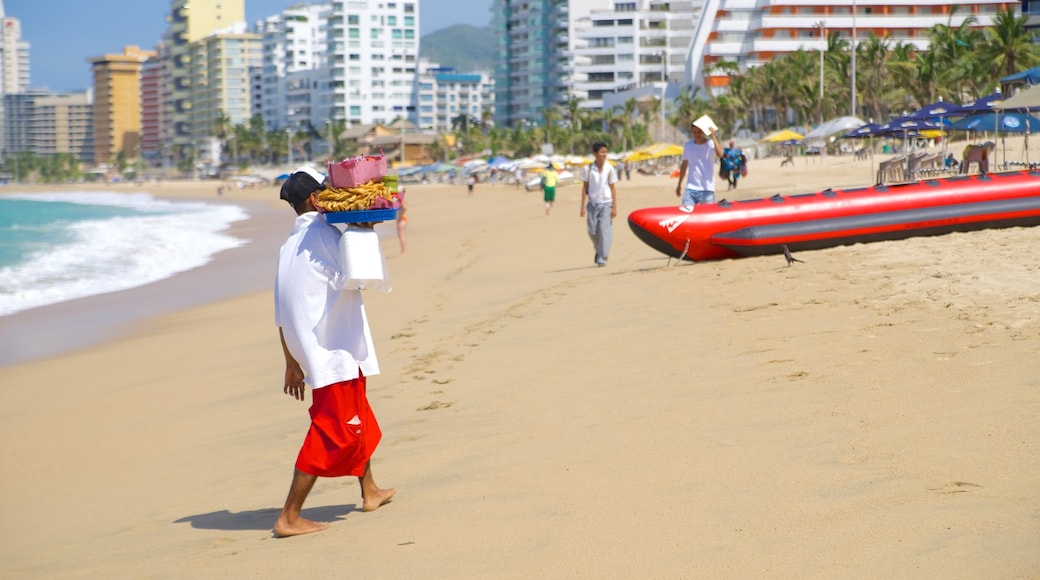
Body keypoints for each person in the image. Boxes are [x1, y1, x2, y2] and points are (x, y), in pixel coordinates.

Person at [272, 166, 396, 538]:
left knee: (356, 419)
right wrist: (364, 232)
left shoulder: (288, 245)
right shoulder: (324, 234)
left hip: (315, 351)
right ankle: (289, 515)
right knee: (334, 431)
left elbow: (281, 309)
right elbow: (361, 275)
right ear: (315, 199)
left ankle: (369, 490)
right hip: (331, 352)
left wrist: (290, 362)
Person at [580, 142, 618, 267]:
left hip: (606, 203)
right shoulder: (588, 169)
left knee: (604, 231)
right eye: (601, 152)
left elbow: (613, 188)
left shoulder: (609, 168)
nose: (604, 155)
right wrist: (582, 206)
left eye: (605, 152)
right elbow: (584, 188)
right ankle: (599, 250)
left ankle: (602, 258)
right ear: (595, 154)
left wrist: (614, 207)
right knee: (592, 231)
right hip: (592, 204)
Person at [675, 120, 724, 212]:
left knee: (707, 217)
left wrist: (713, 137)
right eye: (695, 132)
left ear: (704, 132)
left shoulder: (710, 144)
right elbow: (684, 165)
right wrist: (679, 185)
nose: (697, 134)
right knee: (685, 216)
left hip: (707, 189)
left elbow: (720, 154)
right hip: (690, 188)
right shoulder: (688, 145)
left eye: (699, 132)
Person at [396, 191, 408, 256]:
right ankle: (403, 251)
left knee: (401, 236)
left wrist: (399, 216)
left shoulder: (401, 200)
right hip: (401, 218)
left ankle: (403, 251)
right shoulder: (400, 199)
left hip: (401, 219)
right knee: (400, 236)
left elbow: (404, 208)